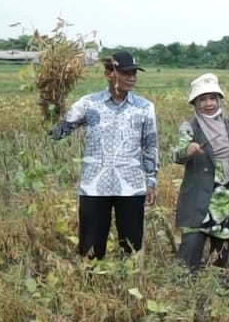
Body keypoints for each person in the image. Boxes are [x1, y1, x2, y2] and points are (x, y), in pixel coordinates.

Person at [49, 51, 159, 259]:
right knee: (90, 247)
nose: (132, 77)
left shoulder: (145, 108)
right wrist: (51, 106)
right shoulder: (87, 104)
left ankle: (129, 286)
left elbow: (150, 146)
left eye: (134, 72)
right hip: (94, 187)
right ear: (109, 74)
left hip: (132, 186)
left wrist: (151, 181)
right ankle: (91, 285)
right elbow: (58, 133)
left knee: (132, 247)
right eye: (126, 72)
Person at [173, 73, 229, 272]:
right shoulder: (189, 129)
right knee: (188, 256)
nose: (208, 103)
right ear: (195, 103)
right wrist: (187, 150)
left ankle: (214, 296)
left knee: (220, 258)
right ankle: (184, 294)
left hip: (227, 200)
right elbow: (176, 156)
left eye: (212, 98)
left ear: (219, 99)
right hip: (198, 199)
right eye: (202, 99)